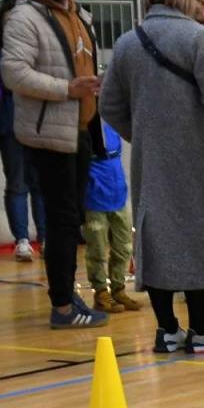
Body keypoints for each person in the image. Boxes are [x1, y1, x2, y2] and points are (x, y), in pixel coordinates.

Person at [100, 0, 204, 355]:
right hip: (201, 153)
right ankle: (201, 329)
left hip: (152, 156)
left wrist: (142, 134)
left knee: (157, 235)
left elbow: (108, 104)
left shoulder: (127, 42)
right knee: (199, 233)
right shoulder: (199, 37)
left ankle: (167, 330)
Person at [0, 0, 108, 328]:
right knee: (62, 222)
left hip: (81, 130)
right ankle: (62, 306)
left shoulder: (81, 15)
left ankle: (66, 294)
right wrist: (66, 88)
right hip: (49, 134)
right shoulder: (24, 18)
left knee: (72, 221)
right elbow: (14, 73)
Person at [0, 0, 45, 262]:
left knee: (40, 182)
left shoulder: (38, 49)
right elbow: (15, 79)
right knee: (18, 182)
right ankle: (22, 239)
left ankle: (45, 236)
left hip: (37, 124)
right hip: (10, 126)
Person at [82, 119, 134, 313]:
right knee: (97, 247)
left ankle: (119, 289)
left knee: (124, 246)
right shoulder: (86, 119)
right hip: (94, 194)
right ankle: (101, 293)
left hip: (117, 191)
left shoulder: (112, 117)